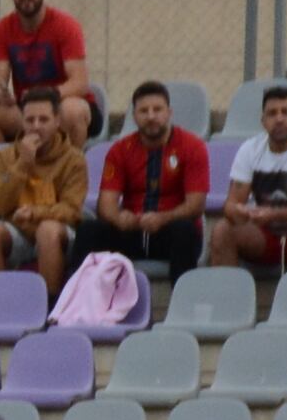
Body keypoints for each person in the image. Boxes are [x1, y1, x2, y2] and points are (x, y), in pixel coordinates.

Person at [80, 81, 215, 280]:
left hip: (170, 232)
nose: (151, 116)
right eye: (143, 111)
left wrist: (162, 218)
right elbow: (106, 205)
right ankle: (73, 305)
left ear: (169, 113)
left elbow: (196, 205)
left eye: (157, 110)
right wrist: (119, 219)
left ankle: (183, 305)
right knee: (88, 230)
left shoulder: (193, 147)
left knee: (184, 230)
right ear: (134, 116)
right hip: (131, 231)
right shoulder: (119, 150)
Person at [0, 0, 98, 151]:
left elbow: (80, 83)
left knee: (72, 111)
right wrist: (0, 92)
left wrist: (45, 95)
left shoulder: (66, 25)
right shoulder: (2, 29)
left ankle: (67, 176)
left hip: (64, 104)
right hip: (27, 108)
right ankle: (7, 176)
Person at [207, 84, 287, 275]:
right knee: (222, 231)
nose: (280, 119)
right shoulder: (249, 149)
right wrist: (239, 212)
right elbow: (231, 204)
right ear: (263, 121)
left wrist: (271, 215)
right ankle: (227, 302)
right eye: (272, 113)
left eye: (286, 112)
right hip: (264, 234)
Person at [0, 93, 89, 288]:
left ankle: (47, 305)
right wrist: (22, 164)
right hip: (19, 231)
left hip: (60, 233)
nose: (36, 126)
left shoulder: (74, 159)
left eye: (43, 119)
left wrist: (35, 213)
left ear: (57, 121)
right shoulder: (5, 156)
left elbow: (71, 210)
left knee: (47, 231)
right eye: (30, 120)